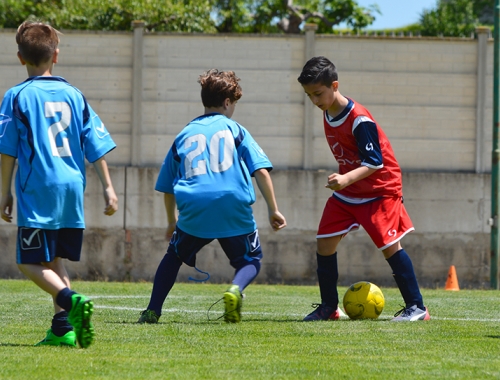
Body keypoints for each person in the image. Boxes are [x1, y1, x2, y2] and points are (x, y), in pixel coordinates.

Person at [0, 21, 118, 348]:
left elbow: (7, 149)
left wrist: (5, 192)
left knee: (27, 260)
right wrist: (108, 186)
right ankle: (63, 329)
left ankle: (71, 300)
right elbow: (96, 143)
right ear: (55, 56)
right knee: (53, 259)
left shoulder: (16, 96)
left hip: (40, 188)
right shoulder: (75, 95)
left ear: (20, 57)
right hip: (73, 188)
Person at [137, 69, 286, 324]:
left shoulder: (184, 134)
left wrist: (171, 221)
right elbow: (260, 170)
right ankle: (235, 290)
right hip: (232, 204)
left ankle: (152, 310)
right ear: (228, 102)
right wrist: (274, 208)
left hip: (194, 205)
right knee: (250, 260)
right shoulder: (236, 130)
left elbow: (167, 186)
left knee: (173, 257)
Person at [297, 56, 428, 322]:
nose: (314, 100)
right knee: (324, 243)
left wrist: (345, 179)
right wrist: (346, 182)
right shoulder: (327, 111)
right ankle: (329, 308)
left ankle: (417, 308)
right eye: (309, 95)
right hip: (351, 190)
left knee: (389, 246)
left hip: (380, 188)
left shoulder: (359, 119)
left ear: (335, 85)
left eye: (318, 93)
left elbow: (375, 162)